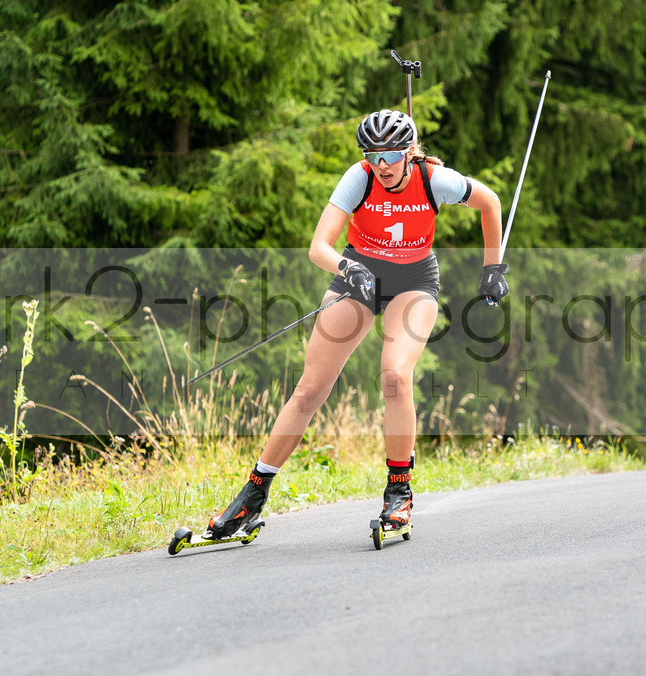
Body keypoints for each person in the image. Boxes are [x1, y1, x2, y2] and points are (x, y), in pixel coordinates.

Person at [203, 109, 508, 539]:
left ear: (409, 152)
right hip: (359, 275)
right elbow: (318, 247)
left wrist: (492, 267)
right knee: (310, 389)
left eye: (390, 156)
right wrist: (350, 268)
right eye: (373, 155)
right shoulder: (359, 177)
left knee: (395, 377)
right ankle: (251, 497)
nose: (381, 166)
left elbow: (490, 202)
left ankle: (399, 492)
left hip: (414, 281)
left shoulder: (433, 180)